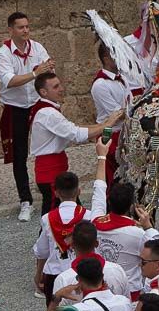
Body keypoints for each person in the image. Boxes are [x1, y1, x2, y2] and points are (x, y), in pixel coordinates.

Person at [29, 72, 121, 214]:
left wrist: (104, 125)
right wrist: (107, 124)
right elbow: (76, 134)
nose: (61, 89)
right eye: (56, 87)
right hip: (50, 170)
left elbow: (74, 128)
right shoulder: (48, 113)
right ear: (43, 92)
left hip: (55, 167)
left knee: (71, 212)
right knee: (52, 215)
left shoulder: (47, 110)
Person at [0, 13, 53, 222]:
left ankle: (45, 188)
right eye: (20, 28)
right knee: (19, 155)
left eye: (27, 26)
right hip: (16, 107)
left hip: (36, 104)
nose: (26, 31)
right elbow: (9, 81)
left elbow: (48, 71)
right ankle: (25, 199)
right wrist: (36, 73)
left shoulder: (37, 48)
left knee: (43, 148)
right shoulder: (2, 54)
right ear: (11, 30)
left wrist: (46, 72)